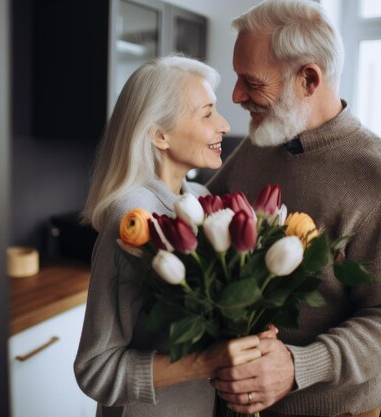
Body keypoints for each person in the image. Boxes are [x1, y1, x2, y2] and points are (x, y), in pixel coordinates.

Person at [206, 1, 381, 416]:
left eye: (251, 82)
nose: (235, 97)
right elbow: (203, 210)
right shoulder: (261, 139)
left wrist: (298, 365)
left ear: (309, 79)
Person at [74, 55, 277, 417]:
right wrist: (203, 362)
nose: (223, 125)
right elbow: (96, 371)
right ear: (159, 135)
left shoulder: (198, 198)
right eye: (207, 113)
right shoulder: (133, 218)